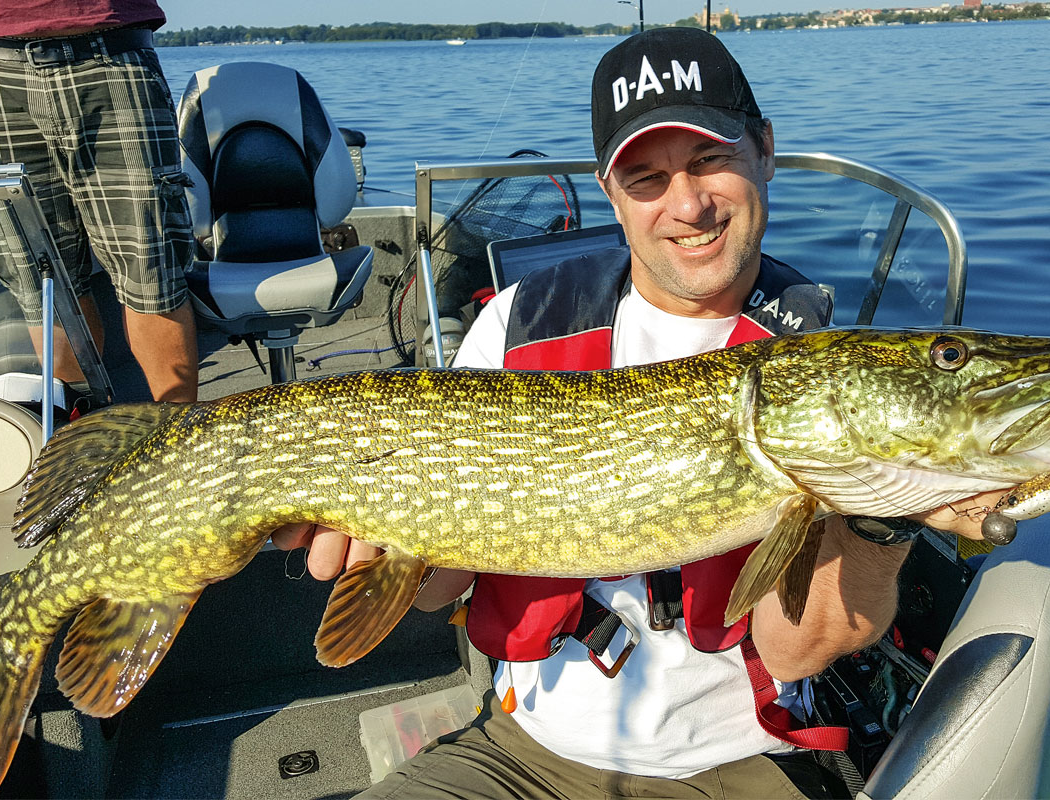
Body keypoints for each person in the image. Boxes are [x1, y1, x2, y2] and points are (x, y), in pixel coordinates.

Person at [274, 27, 1004, 799]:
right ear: (610, 192)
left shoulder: (814, 369)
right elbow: (443, 582)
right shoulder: (520, 325)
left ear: (765, 150)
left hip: (736, 769)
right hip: (518, 752)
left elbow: (794, 652)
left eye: (710, 160)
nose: (687, 204)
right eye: (648, 178)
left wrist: (885, 519)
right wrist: (390, 550)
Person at [0, 0, 198, 403]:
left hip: (109, 56)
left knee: (149, 269)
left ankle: (179, 440)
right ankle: (81, 440)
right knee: (44, 279)